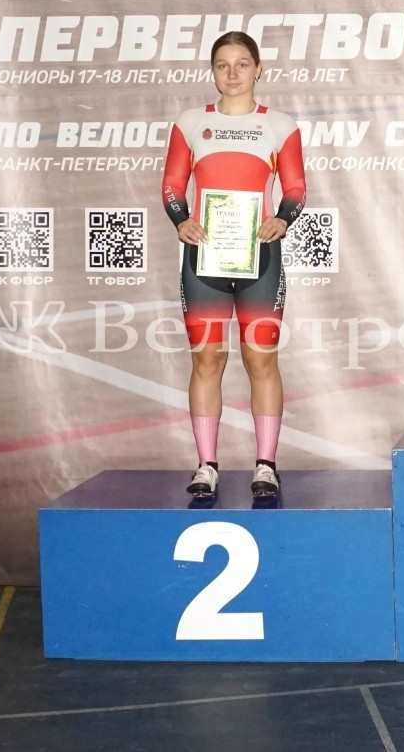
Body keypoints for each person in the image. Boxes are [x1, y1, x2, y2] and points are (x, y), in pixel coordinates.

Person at [161, 31, 306, 499]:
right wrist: (182, 220)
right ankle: (206, 465)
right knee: (207, 360)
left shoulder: (279, 125)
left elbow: (296, 189)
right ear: (212, 71)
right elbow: (172, 186)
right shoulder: (191, 122)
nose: (232, 73)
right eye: (222, 65)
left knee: (261, 360)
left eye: (242, 64)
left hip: (258, 257)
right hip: (205, 259)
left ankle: (266, 465)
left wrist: (282, 219)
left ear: (258, 69)